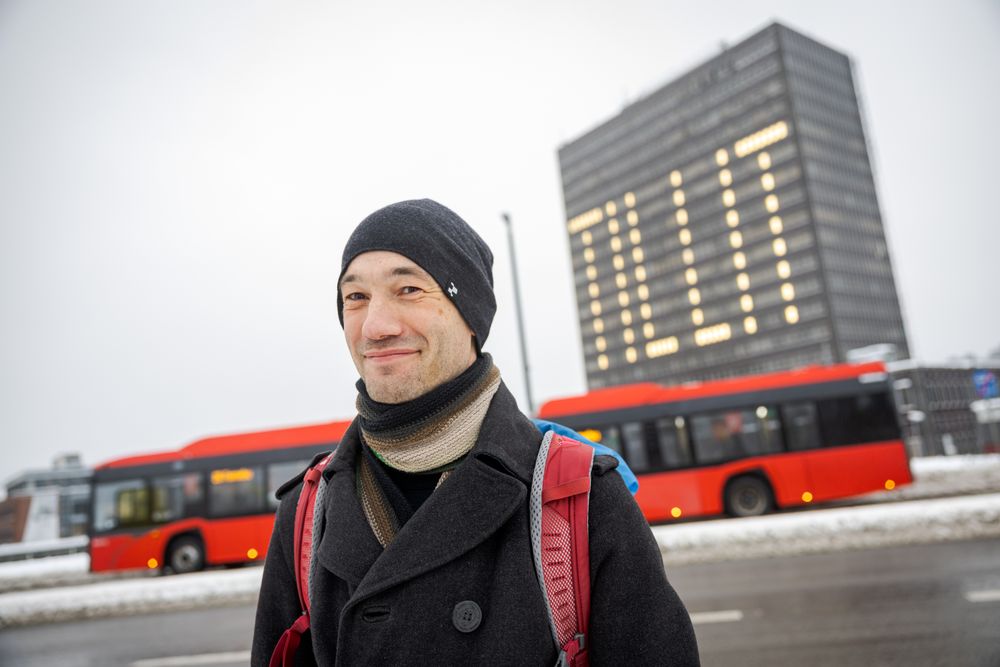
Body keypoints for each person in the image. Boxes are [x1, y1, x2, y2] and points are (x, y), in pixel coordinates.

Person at [251, 199, 700, 666]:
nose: (376, 327)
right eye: (356, 298)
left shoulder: (581, 498)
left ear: (470, 315)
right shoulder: (306, 515)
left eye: (408, 289)